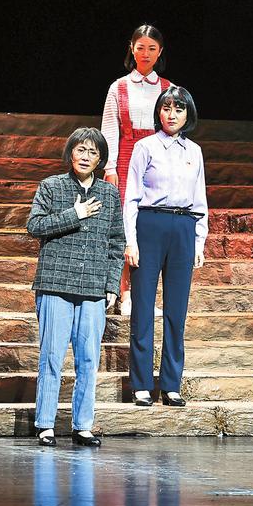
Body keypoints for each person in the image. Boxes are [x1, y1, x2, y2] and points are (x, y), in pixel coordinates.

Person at [27, 128, 125, 447]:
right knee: (52, 357)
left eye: (92, 152)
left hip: (93, 286)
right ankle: (45, 424)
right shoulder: (52, 186)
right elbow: (35, 225)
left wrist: (112, 285)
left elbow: (116, 242)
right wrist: (75, 214)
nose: (85, 157)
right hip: (55, 283)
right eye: (80, 150)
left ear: (100, 159)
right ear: (70, 152)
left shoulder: (109, 194)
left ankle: (82, 425)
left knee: (88, 359)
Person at [125, 86, 207, 407]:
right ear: (158, 112)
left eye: (179, 109)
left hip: (183, 227)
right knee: (143, 308)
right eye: (167, 108)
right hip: (150, 225)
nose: (172, 115)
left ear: (188, 114)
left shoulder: (194, 151)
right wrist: (130, 240)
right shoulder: (145, 147)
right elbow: (131, 197)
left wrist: (199, 241)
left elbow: (200, 200)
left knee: (176, 311)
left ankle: (172, 384)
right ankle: (141, 384)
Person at [100, 24, 171, 317]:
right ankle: (124, 292)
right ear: (131, 48)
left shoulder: (167, 88)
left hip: (157, 160)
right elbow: (109, 129)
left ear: (160, 52)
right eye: (140, 47)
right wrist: (110, 167)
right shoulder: (118, 87)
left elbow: (172, 128)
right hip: (126, 158)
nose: (146, 53)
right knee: (125, 227)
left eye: (152, 48)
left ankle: (146, 296)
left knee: (150, 227)